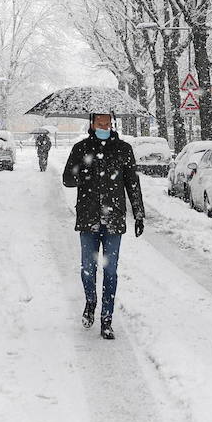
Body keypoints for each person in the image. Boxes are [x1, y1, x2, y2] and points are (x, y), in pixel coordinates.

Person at [61, 111, 144, 340]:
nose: (104, 126)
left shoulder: (123, 149)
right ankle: (90, 301)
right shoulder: (81, 148)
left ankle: (106, 319)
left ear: (112, 123)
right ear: (92, 123)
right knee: (88, 269)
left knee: (110, 271)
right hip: (88, 218)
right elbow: (67, 179)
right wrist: (84, 170)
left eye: (107, 122)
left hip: (114, 219)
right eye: (100, 122)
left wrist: (139, 213)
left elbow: (132, 183)